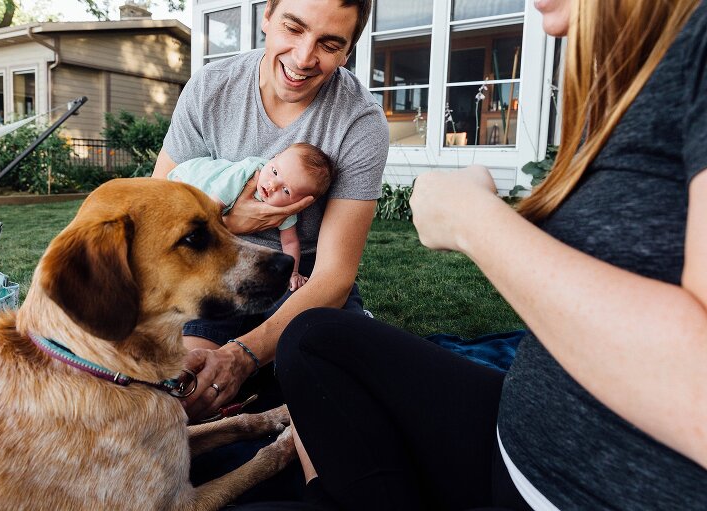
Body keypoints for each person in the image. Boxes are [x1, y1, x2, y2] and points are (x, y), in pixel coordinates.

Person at [268, 0, 707, 509]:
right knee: (313, 340)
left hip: (573, 491)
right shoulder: (637, 76)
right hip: (520, 435)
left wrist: (474, 221)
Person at [151, 0, 388, 421]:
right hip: (216, 271)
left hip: (304, 282)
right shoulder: (211, 88)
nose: (303, 58)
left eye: (329, 44)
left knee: (332, 407)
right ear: (266, 17)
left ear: (348, 51)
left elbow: (335, 275)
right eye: (293, 28)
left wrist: (242, 356)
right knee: (183, 393)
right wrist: (230, 222)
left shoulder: (360, 120)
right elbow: (156, 214)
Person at [167, 143, 334, 291]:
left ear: (302, 202)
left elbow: (290, 242)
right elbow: (211, 207)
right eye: (275, 171)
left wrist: (293, 273)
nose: (272, 185)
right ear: (274, 157)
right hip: (192, 177)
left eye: (286, 190)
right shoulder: (248, 172)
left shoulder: (285, 210)